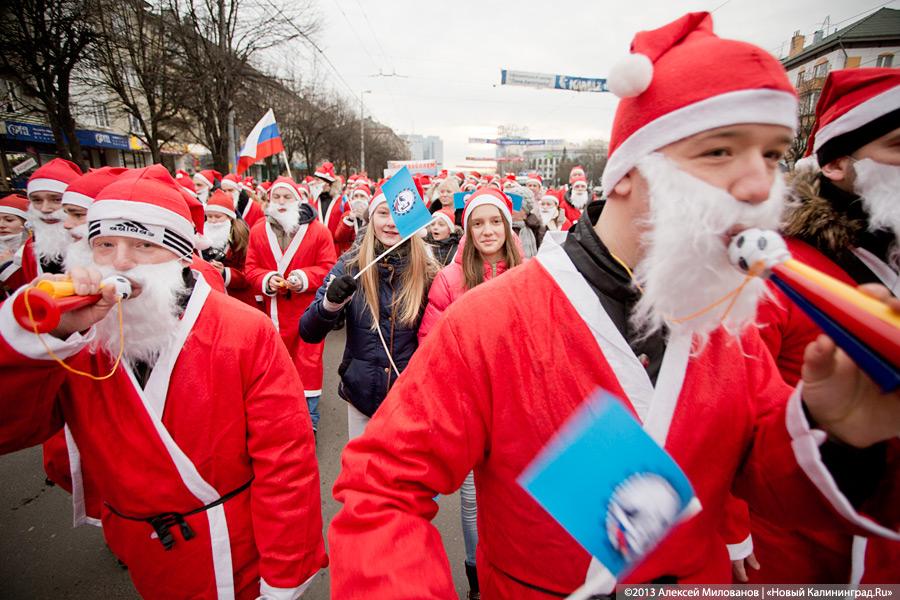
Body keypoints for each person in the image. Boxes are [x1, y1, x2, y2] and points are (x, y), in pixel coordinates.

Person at [326, 13, 900, 598]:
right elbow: (382, 492)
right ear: (627, 172)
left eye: (774, 156)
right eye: (720, 151)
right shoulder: (493, 320)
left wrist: (836, 431)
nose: (759, 186)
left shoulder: (725, 321)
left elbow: (766, 481)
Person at [0, 165, 327, 598]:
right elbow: (12, 427)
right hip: (140, 544)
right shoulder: (79, 335)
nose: (120, 261)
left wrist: (285, 575)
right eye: (104, 244)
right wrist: (42, 339)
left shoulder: (243, 331)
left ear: (179, 255)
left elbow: (286, 462)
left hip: (231, 547)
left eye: (142, 244)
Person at [738, 67, 900, 585]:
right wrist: (836, 432)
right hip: (807, 558)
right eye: (897, 146)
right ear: (835, 163)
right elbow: (730, 441)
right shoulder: (778, 271)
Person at [419, 188, 524, 600]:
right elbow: (432, 347)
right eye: (478, 223)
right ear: (468, 229)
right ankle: (478, 581)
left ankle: (513, 575)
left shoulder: (530, 273)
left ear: (507, 225)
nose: (487, 231)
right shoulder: (450, 279)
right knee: (471, 503)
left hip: (517, 412)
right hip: (468, 409)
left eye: (495, 221)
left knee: (516, 498)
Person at [299, 189, 438, 440]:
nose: (390, 222)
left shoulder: (429, 271)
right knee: (362, 475)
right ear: (372, 217)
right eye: (383, 213)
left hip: (410, 401)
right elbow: (308, 331)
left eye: (398, 214)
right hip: (361, 396)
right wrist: (330, 304)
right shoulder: (350, 265)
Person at [245, 176, 337, 435]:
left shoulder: (319, 231)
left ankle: (310, 420)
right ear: (269, 200)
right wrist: (266, 279)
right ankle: (280, 417)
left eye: (287, 197)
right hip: (273, 314)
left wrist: (302, 278)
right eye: (277, 197)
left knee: (308, 363)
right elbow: (250, 268)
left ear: (298, 200)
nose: (282, 202)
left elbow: (330, 268)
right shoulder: (257, 230)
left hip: (308, 313)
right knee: (275, 365)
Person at [22, 158, 83, 280]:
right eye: (37, 200)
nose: (45, 209)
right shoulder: (31, 246)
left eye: (56, 199)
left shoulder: (101, 243)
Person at [204, 189, 258, 309]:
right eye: (209, 216)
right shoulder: (201, 238)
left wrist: (225, 273)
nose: (212, 221)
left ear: (229, 217)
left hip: (238, 299)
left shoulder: (240, 237)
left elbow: (249, 273)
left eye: (218, 217)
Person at [0, 194, 29, 298]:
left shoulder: (32, 250)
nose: (1, 224)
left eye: (9, 220)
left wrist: (8, 265)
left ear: (26, 223)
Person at [509, 185, 545, 258]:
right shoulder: (503, 226)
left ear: (525, 210)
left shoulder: (537, 228)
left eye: (514, 205)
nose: (509, 208)